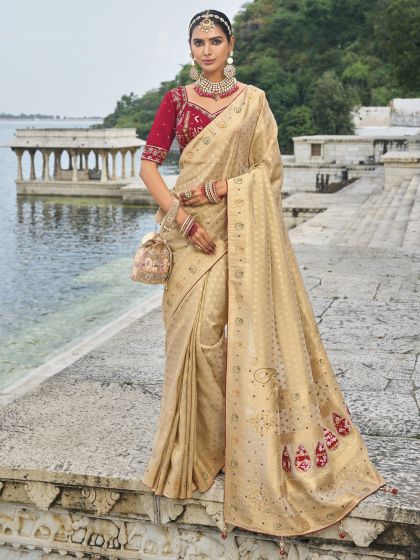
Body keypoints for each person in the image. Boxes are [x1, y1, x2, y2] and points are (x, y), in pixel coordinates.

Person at [139, 8, 397, 547]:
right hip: (188, 235)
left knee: (227, 338)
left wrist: (218, 193)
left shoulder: (252, 102)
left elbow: (267, 173)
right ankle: (195, 452)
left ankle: (232, 450)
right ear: (190, 49)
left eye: (214, 40)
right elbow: (149, 166)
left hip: (234, 230)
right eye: (197, 42)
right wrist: (181, 217)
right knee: (192, 339)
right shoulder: (177, 102)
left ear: (230, 45)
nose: (206, 49)